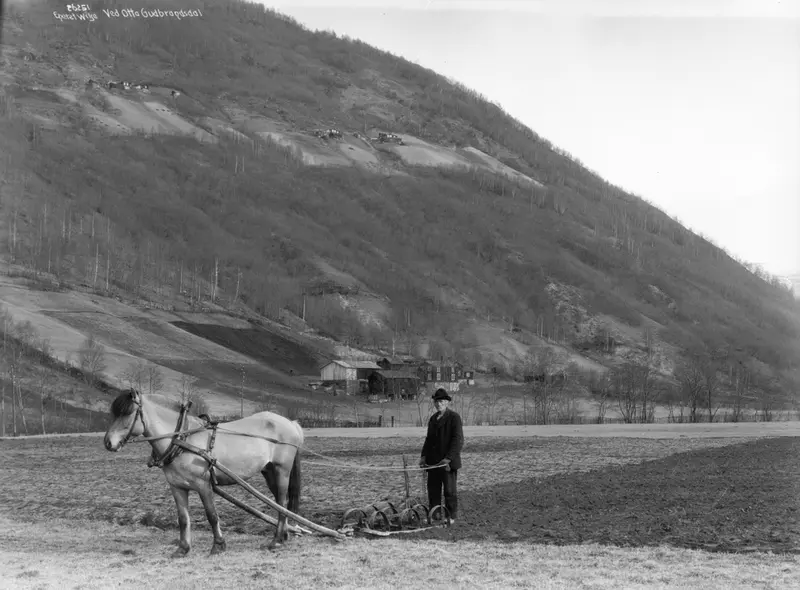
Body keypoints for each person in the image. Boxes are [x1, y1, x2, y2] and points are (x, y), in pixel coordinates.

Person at [419, 388, 464, 523]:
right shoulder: (433, 419)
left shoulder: (454, 418)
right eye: (437, 401)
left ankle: (451, 517)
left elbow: (458, 440)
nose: (439, 404)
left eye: (442, 401)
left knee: (449, 492)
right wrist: (423, 456)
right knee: (433, 491)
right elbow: (428, 440)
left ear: (447, 403)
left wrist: (448, 458)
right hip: (433, 462)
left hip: (447, 463)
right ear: (434, 403)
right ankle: (435, 515)